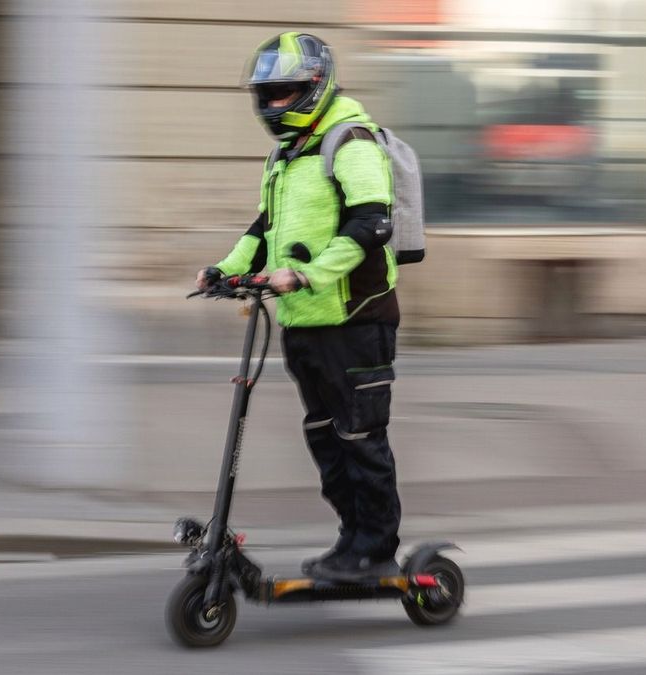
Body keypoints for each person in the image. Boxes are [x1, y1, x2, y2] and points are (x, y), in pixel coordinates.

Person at [196, 32, 402, 583]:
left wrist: (306, 274)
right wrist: (224, 269)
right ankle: (350, 538)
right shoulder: (285, 155)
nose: (273, 104)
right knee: (324, 435)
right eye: (266, 94)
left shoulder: (351, 140)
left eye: (284, 92)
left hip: (355, 318)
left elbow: (372, 223)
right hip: (303, 319)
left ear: (315, 86)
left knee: (360, 436)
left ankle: (376, 547)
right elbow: (265, 230)